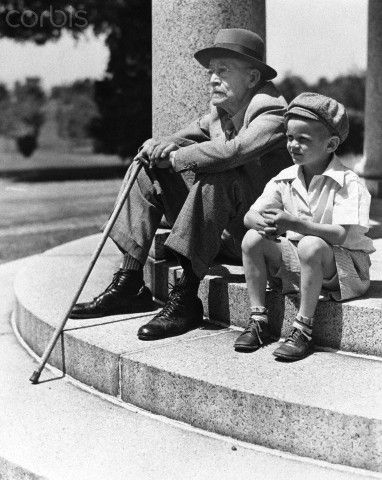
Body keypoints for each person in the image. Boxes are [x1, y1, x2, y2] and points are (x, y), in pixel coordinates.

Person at [70, 28, 291, 341]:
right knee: (146, 167)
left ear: (253, 78)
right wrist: (158, 146)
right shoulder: (221, 111)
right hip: (222, 233)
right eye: (211, 71)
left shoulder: (272, 110)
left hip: (259, 237)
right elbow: (181, 137)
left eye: (223, 71)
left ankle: (186, 298)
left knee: (219, 173)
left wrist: (176, 156)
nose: (212, 79)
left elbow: (234, 152)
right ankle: (129, 282)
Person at [234, 92, 375, 360]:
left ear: (331, 144)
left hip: (345, 268)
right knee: (251, 239)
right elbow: (250, 216)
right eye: (289, 137)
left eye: (303, 139)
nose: (293, 145)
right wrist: (264, 224)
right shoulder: (285, 178)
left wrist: (296, 223)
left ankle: (303, 329)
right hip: (304, 261)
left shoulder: (348, 182)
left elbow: (341, 234)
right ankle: (258, 320)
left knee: (310, 244)